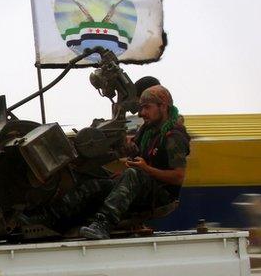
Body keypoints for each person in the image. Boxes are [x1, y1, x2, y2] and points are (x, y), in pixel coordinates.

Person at [79, 84, 190, 239]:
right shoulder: (147, 130)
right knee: (96, 183)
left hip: (161, 196)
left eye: (147, 108)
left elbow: (178, 177)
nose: (142, 113)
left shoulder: (173, 137)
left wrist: (145, 169)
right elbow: (133, 151)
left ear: (163, 106)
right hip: (142, 185)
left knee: (133, 174)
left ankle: (104, 223)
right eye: (141, 108)